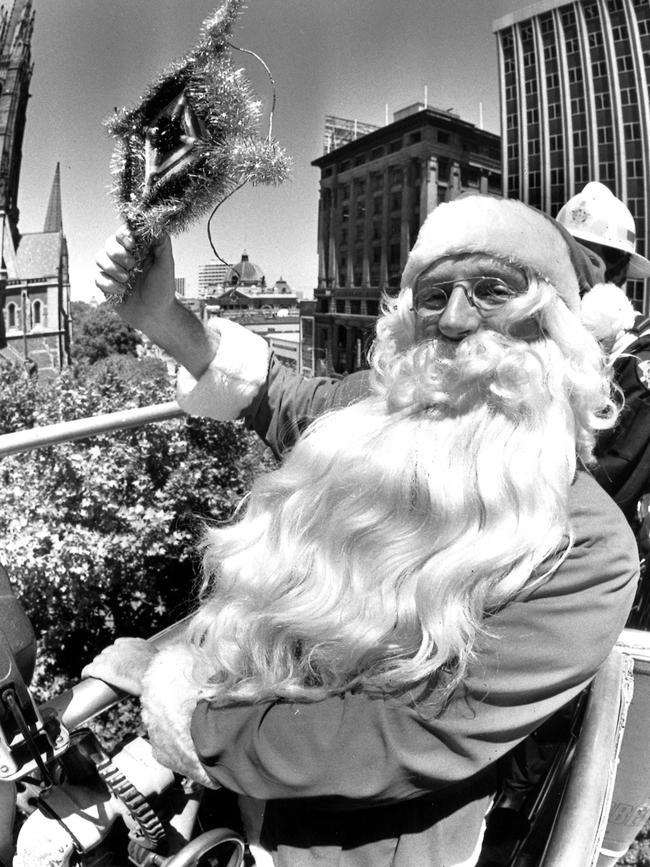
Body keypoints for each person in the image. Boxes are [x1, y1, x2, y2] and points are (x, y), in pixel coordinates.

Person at [87, 195, 637, 867]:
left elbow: (403, 736)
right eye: (434, 296)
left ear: (551, 324)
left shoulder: (590, 549)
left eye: (492, 291)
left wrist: (193, 722)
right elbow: (280, 397)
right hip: (235, 787)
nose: (456, 321)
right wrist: (161, 317)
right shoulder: (378, 421)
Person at [558, 182, 650, 626]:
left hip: (586, 578)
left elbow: (610, 480)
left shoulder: (639, 366)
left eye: (590, 264)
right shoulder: (553, 345)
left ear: (614, 279)